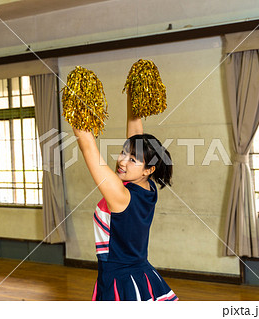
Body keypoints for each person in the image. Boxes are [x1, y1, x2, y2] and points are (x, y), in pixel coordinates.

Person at [72, 91, 178, 301]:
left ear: (148, 169)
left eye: (132, 160)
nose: (122, 161)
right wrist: (133, 91)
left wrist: (76, 104)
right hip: (142, 273)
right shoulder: (148, 188)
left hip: (120, 282)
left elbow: (87, 146)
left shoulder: (120, 195)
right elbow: (135, 135)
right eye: (123, 153)